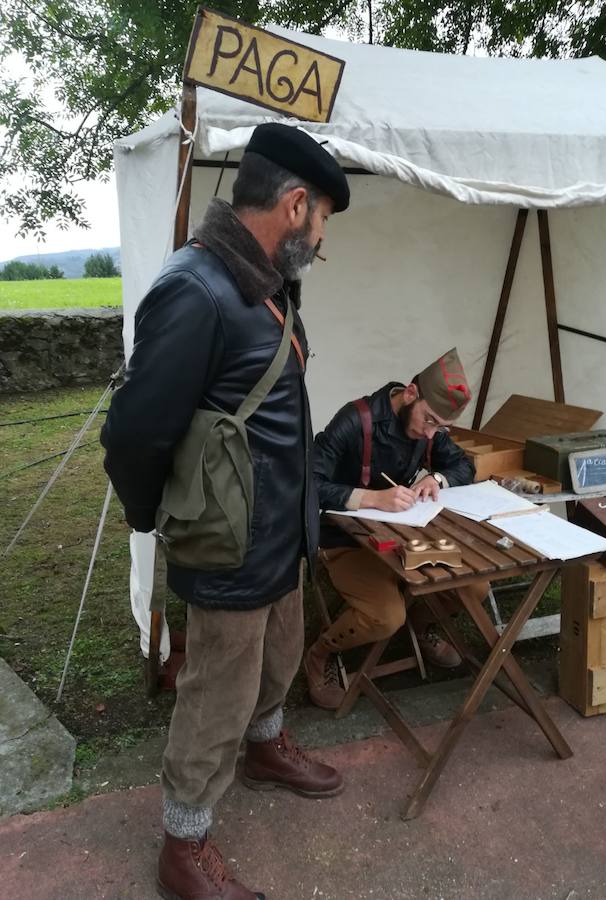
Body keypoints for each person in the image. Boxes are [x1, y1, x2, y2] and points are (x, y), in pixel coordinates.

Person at [101, 123, 350, 900]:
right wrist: (156, 520)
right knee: (216, 695)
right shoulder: (196, 288)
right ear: (295, 203)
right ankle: (183, 846)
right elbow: (134, 433)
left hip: (279, 532)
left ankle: (268, 749)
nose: (322, 243)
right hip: (230, 543)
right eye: (321, 224)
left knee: (277, 659)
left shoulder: (263, 286)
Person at [306, 349, 490, 710]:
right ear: (410, 393)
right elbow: (307, 483)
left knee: (475, 586)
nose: (430, 432)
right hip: (345, 539)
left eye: (440, 427)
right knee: (386, 615)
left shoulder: (431, 430)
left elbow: (463, 467)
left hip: (404, 535)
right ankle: (318, 653)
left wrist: (437, 478)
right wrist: (373, 499)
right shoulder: (355, 420)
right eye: (429, 420)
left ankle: (422, 625)